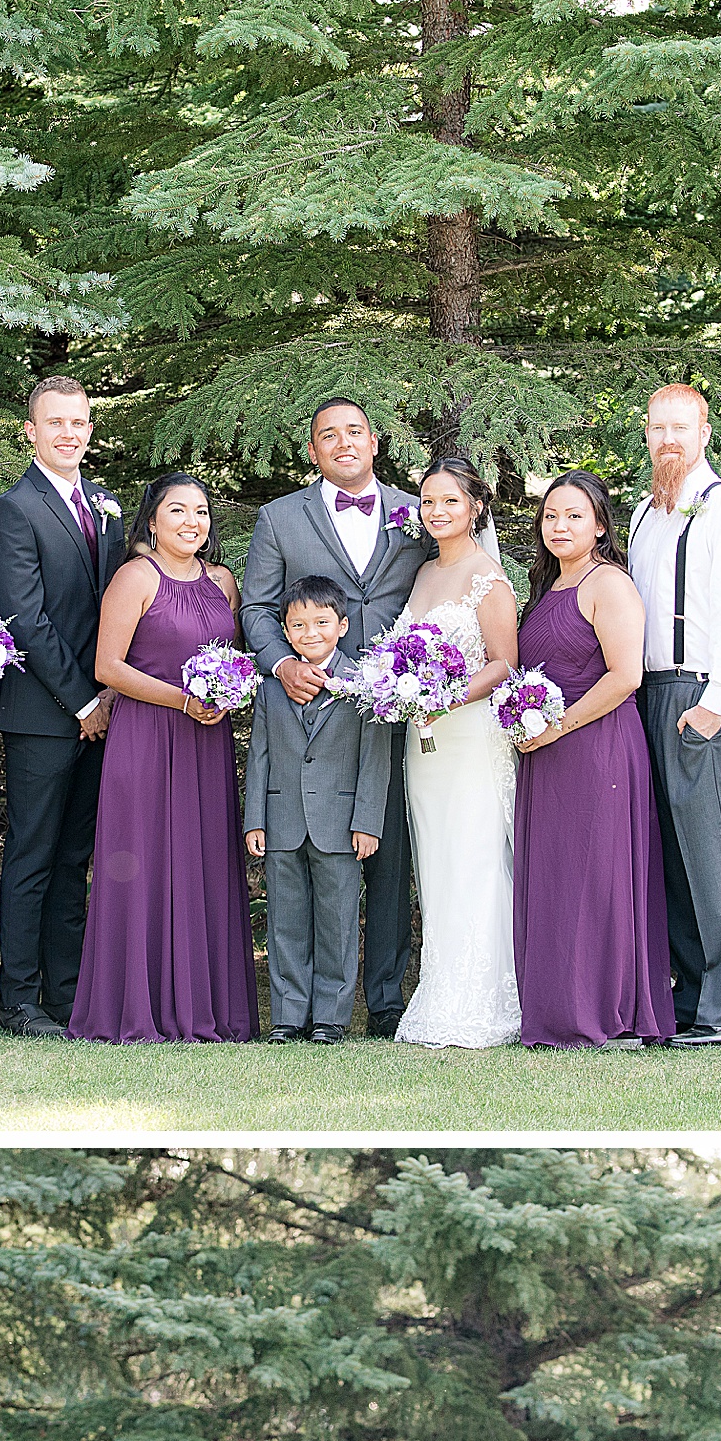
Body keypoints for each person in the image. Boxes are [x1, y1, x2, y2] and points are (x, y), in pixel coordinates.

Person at [240, 398, 429, 1035]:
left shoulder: (416, 512)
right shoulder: (279, 518)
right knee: (312, 871)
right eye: (328, 435)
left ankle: (384, 1002)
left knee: (390, 852)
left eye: (354, 432)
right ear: (313, 450)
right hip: (306, 701)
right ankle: (311, 1012)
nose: (342, 442)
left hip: (399, 707)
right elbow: (259, 608)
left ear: (375, 442)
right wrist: (279, 666)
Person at [68, 474, 258, 1044]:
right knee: (144, 861)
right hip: (148, 737)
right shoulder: (135, 576)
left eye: (200, 512)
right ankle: (137, 1005)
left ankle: (208, 1006)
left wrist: (227, 692)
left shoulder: (222, 582)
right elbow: (108, 667)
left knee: (203, 862)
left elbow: (237, 656)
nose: (191, 522)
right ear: (152, 520)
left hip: (207, 742)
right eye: (177, 511)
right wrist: (182, 698)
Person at [0, 375, 127, 1036]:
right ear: (31, 432)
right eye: (56, 422)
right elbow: (26, 619)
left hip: (102, 708)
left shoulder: (102, 504)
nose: (70, 432)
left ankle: (66, 996)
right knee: (33, 854)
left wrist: (109, 696)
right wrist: (80, 702)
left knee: (75, 857)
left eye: (80, 421)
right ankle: (18, 1000)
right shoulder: (14, 509)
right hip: (45, 714)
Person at [511, 472, 675, 1049]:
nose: (559, 525)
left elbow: (625, 677)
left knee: (600, 878)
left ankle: (607, 1010)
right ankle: (557, 1009)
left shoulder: (609, 584)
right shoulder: (546, 587)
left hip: (598, 744)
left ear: (600, 525)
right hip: (547, 752)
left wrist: (555, 725)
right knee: (558, 878)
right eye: (551, 515)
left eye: (574, 515)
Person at [627, 384, 721, 1044]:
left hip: (707, 696)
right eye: (658, 428)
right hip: (650, 693)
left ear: (705, 432)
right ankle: (688, 999)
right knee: (673, 856)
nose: (668, 439)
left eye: (680, 427)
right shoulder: (640, 516)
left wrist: (714, 705)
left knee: (714, 852)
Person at [386, 460, 523, 1049]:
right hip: (425, 741)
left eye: (450, 501)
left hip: (469, 735)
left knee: (475, 857)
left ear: (476, 508)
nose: (437, 512)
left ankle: (486, 1001)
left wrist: (448, 696)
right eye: (428, 502)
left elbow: (504, 662)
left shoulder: (487, 578)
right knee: (436, 859)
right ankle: (441, 992)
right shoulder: (421, 575)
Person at [243, 576, 388, 1044]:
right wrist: (255, 820)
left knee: (338, 922)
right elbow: (259, 756)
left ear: (343, 626)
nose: (310, 632)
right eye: (298, 624)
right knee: (285, 920)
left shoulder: (365, 686)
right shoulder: (270, 688)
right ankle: (288, 1015)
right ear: (285, 632)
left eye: (321, 622)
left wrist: (367, 821)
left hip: (340, 826)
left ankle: (330, 1017)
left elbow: (374, 759)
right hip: (283, 822)